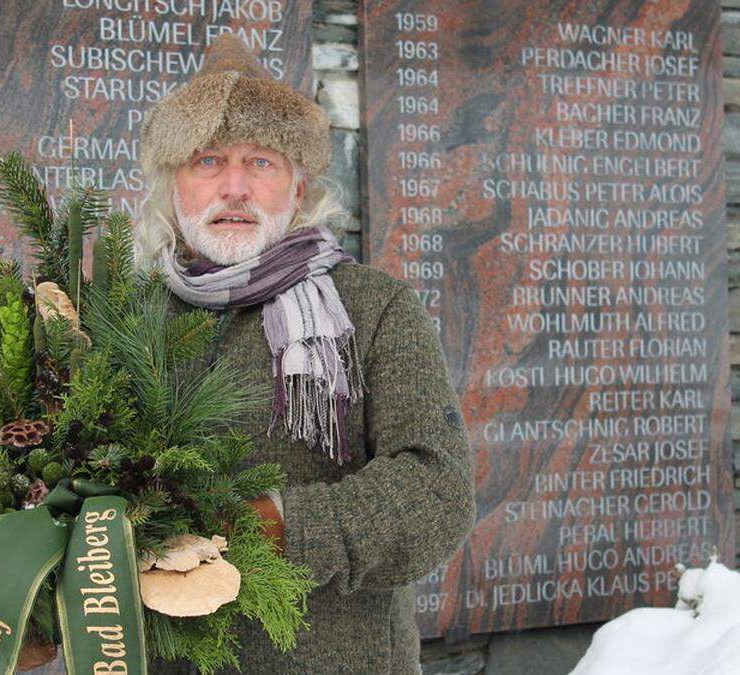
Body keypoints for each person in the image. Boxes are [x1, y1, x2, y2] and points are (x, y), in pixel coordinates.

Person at [133, 34, 476, 674]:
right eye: (207, 160)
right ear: (170, 181)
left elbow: (436, 488)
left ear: (299, 184)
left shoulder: (373, 308)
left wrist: (278, 524)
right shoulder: (121, 316)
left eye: (261, 161)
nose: (234, 187)